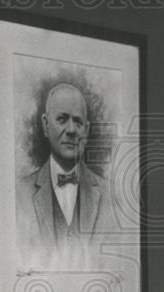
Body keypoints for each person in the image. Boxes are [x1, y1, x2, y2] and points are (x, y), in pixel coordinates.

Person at [19, 82, 116, 268]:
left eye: (78, 121)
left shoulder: (113, 197)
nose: (71, 130)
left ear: (86, 130)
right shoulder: (19, 194)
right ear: (46, 125)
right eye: (62, 119)